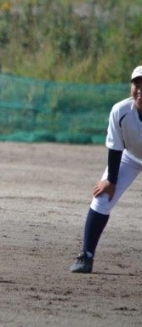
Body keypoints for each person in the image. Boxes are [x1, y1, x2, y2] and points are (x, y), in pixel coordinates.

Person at [69, 65, 142, 273]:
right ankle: (86, 255)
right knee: (102, 197)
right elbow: (115, 147)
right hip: (130, 156)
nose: (140, 90)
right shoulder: (121, 111)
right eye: (136, 84)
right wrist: (111, 180)